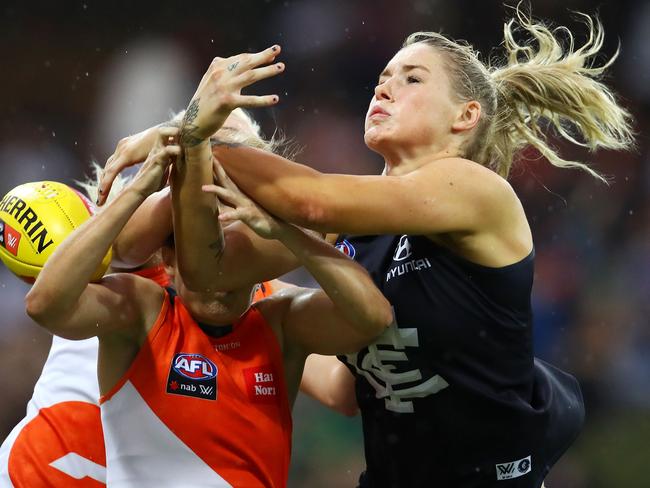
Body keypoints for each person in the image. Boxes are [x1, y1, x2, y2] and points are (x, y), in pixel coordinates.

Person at [148, 10, 631, 488]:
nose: (383, 88)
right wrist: (189, 156)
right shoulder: (354, 226)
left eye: (412, 78)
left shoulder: (475, 191)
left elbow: (310, 202)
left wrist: (197, 133)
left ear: (465, 116)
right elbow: (213, 277)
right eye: (382, 78)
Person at [25, 46, 393, 487]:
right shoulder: (128, 273)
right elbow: (47, 300)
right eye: (214, 157)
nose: (219, 203)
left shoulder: (270, 305)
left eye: (236, 169)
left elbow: (346, 375)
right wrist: (167, 164)